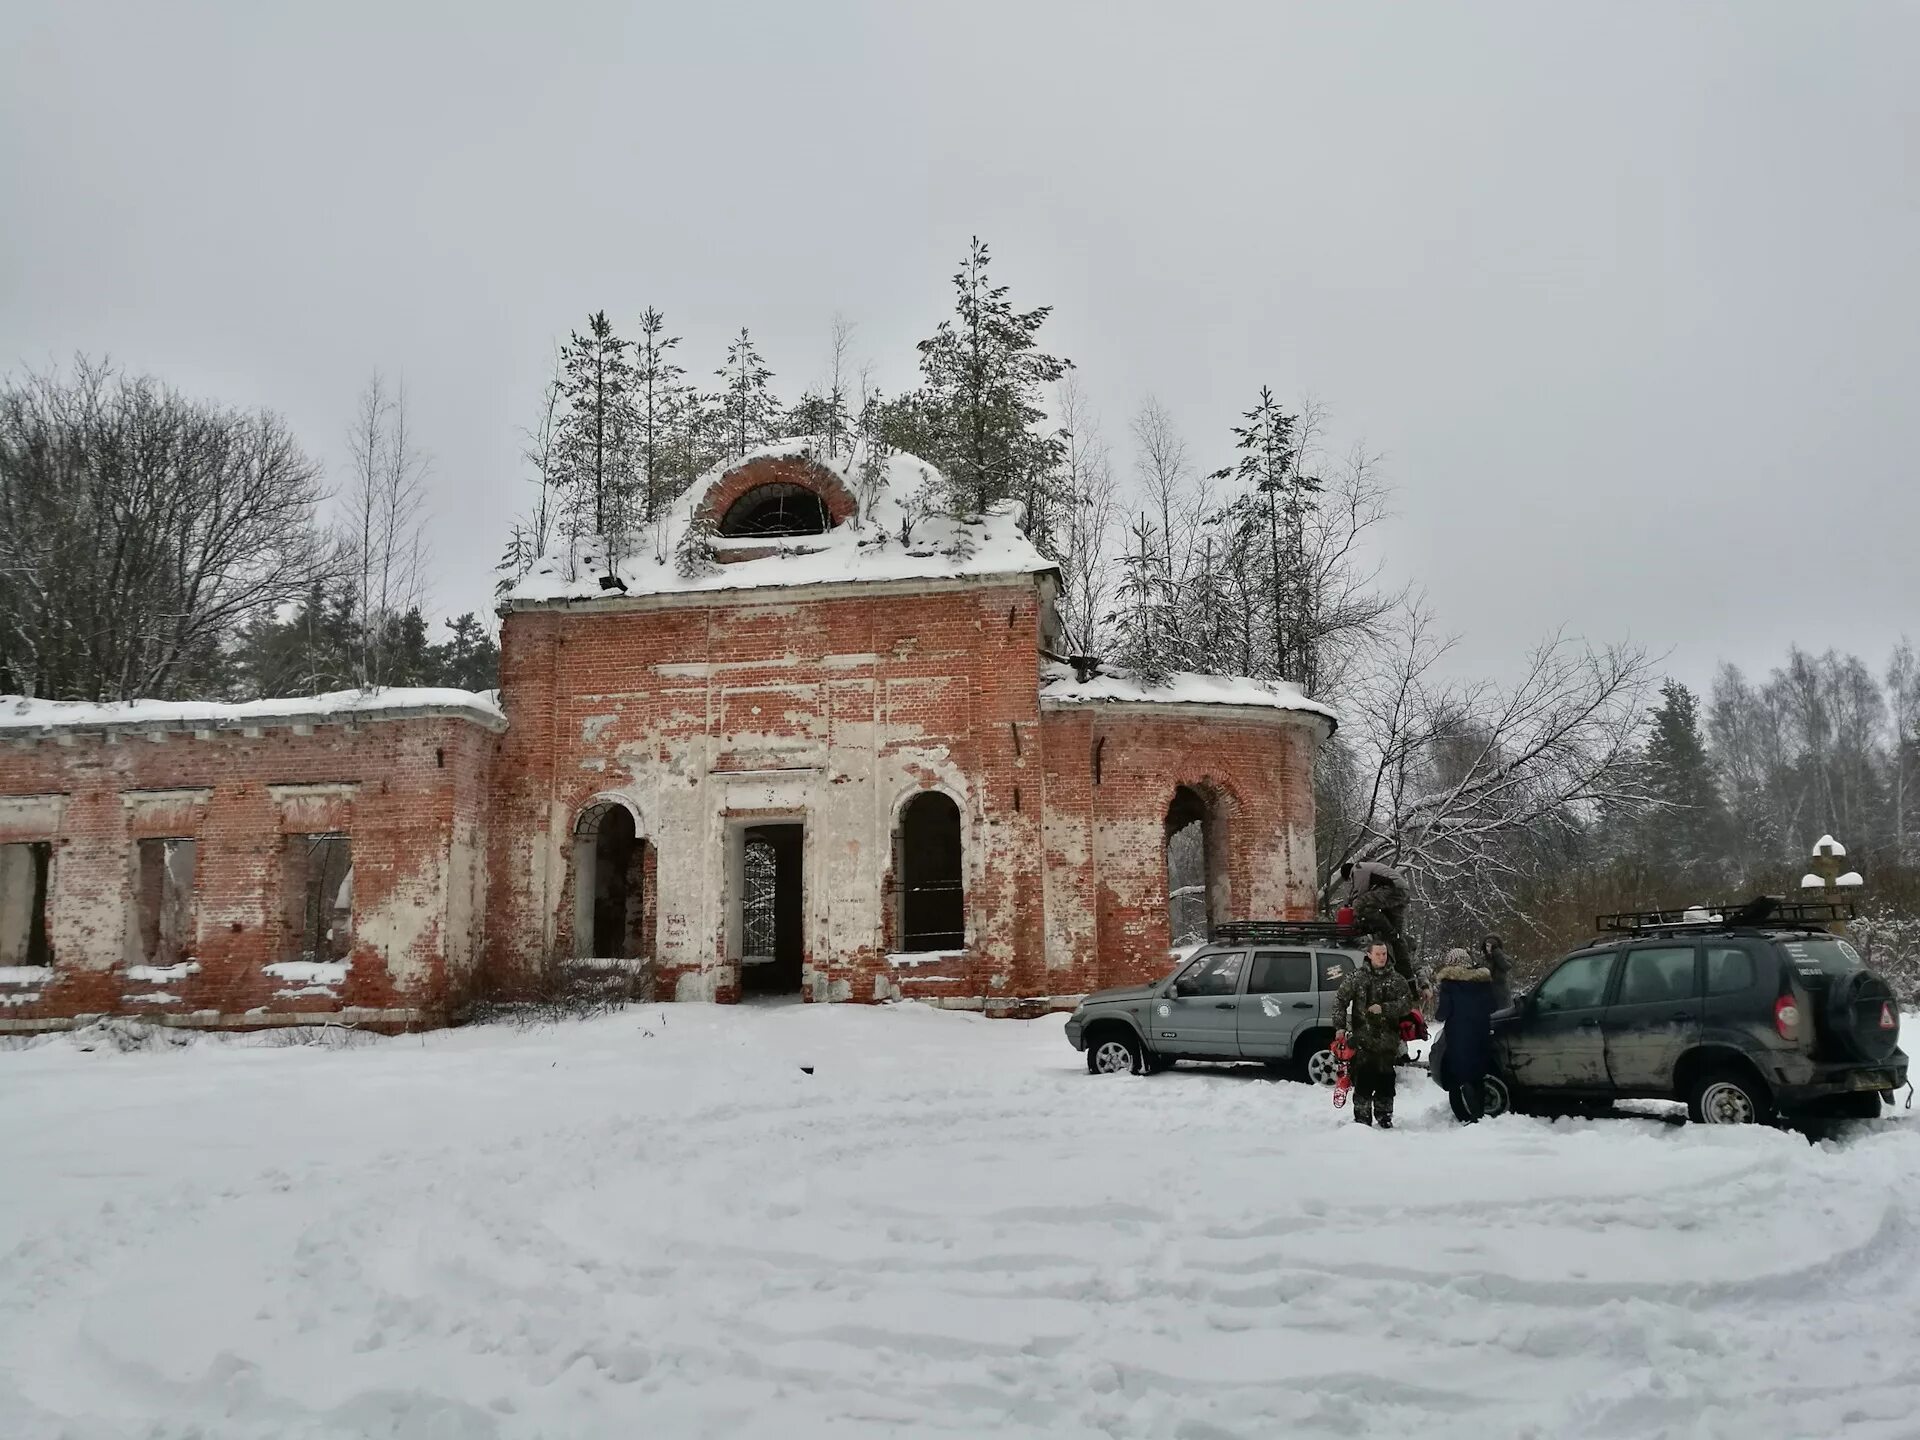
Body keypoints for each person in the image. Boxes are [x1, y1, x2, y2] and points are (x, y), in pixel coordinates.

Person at [1334, 936, 1417, 1128]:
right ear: (1369, 955)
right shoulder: (1357, 977)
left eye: (1384, 954)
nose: (1382, 958)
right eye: (1378, 954)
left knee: (1386, 1081)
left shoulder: (1397, 979)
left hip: (1388, 1041)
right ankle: (1361, 1119)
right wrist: (1340, 1026)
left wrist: (1385, 1008)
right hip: (1362, 1040)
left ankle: (1384, 1116)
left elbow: (1406, 1004)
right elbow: (1340, 1001)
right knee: (1363, 1079)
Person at [1435, 946, 1497, 1122]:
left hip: (1458, 1038)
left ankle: (1464, 1116)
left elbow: (1443, 1013)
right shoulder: (1483, 982)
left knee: (1456, 1078)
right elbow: (1493, 1006)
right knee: (1477, 1075)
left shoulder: (1449, 984)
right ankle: (1480, 1113)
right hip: (1481, 1035)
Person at [1339, 860, 1415, 983]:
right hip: (1402, 892)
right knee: (1397, 939)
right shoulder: (1370, 870)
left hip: (1394, 889)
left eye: (1349, 880)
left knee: (1361, 904)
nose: (1351, 881)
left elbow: (1360, 892)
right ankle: (1408, 977)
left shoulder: (1358, 869)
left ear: (1348, 873)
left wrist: (1353, 914)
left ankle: (1387, 928)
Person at [1480, 934, 1514, 1010]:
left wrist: (1497, 954)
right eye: (1486, 946)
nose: (1487, 948)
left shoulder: (1501, 957)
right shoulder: (1484, 959)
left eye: (1489, 946)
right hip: (1487, 991)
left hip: (1501, 991)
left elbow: (1507, 966)